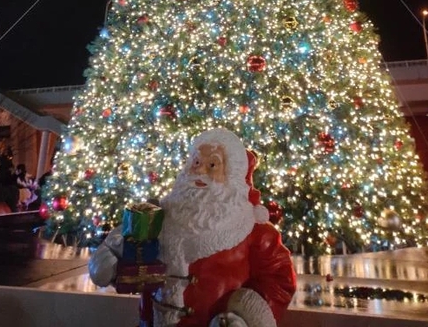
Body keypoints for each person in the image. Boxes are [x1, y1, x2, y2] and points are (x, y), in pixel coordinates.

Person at [89, 128, 297, 326]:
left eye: (212, 165)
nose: (200, 170)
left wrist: (246, 318)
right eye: (196, 162)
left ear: (232, 174)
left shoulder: (255, 231)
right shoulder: (157, 216)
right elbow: (122, 243)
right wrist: (107, 259)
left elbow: (279, 281)